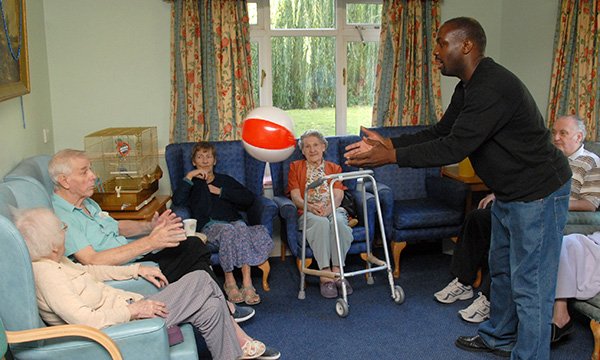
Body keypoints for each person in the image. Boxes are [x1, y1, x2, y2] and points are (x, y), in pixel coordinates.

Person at [344, 17, 572, 358]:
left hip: (539, 194)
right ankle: (498, 337)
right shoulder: (468, 87)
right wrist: (390, 143)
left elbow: (454, 148)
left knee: (531, 287)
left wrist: (390, 156)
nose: (435, 52)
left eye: (440, 43)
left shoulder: (491, 87)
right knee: (502, 272)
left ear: (466, 45)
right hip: (511, 195)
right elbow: (442, 132)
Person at [14, 207, 281, 360]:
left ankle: (233, 355)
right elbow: (86, 320)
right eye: (61, 229)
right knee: (201, 280)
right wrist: (133, 311)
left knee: (209, 307)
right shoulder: (48, 275)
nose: (65, 231)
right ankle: (238, 340)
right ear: (50, 245)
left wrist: (136, 268)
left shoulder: (57, 262)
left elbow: (92, 271)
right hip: (122, 326)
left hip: (130, 309)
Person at [49, 149, 254, 323]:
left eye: (91, 169)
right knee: (193, 250)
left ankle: (219, 307)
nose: (93, 176)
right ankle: (221, 307)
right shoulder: (62, 216)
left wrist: (150, 226)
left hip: (131, 254)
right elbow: (92, 261)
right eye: (85, 172)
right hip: (122, 270)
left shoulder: (86, 202)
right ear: (64, 181)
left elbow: (117, 227)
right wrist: (150, 242)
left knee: (191, 246)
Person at [434, 114, 600, 324]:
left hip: (553, 216)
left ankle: (488, 299)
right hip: (525, 208)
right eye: (554, 133)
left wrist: (551, 202)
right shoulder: (548, 158)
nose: (556, 138)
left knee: (515, 232)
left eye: (563, 133)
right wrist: (499, 194)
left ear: (578, 137)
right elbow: (523, 182)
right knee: (479, 217)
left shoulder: (592, 163)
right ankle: (463, 281)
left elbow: (590, 204)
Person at [171, 142, 274, 305]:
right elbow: (177, 200)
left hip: (233, 220)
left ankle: (247, 283)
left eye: (208, 156)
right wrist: (190, 176)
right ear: (194, 162)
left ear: (214, 160)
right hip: (210, 227)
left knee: (241, 227)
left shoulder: (224, 180)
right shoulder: (192, 184)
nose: (204, 160)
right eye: (200, 157)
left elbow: (248, 198)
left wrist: (221, 192)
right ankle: (230, 282)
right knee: (227, 230)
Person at [287, 130, 354, 299]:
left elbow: (338, 195)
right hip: (308, 212)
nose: (312, 150)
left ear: (323, 147)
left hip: (331, 207)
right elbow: (295, 197)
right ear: (302, 151)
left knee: (338, 221)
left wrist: (328, 209)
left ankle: (338, 271)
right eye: (307, 146)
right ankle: (325, 275)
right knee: (321, 223)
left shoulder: (334, 168)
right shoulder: (295, 167)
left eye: (316, 145)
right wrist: (310, 206)